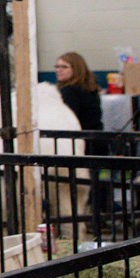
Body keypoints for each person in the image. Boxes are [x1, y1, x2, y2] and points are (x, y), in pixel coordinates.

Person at [54, 52, 110, 229]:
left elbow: (69, 120)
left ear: (75, 69)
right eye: (57, 66)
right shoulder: (91, 88)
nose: (59, 70)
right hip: (98, 143)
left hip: (83, 144)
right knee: (97, 183)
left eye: (64, 67)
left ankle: (87, 221)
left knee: (83, 186)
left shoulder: (69, 91)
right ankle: (99, 217)